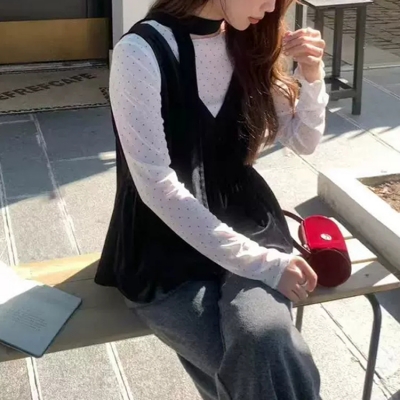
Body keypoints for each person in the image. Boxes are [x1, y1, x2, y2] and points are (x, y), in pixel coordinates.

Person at [95, 0, 329, 399]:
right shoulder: (141, 52)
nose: (271, 7)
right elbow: (156, 185)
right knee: (262, 361)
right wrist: (266, 265)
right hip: (162, 248)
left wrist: (312, 74)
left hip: (249, 226)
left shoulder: (249, 40)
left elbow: (303, 140)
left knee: (262, 336)